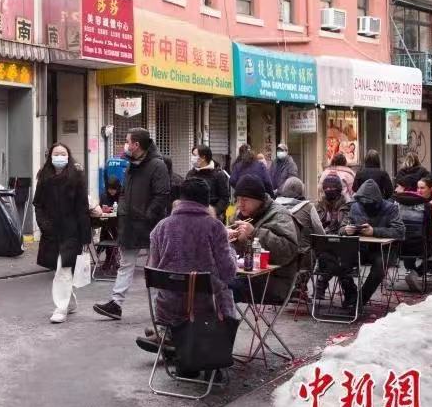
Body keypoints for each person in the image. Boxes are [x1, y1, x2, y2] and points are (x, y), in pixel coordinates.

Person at [138, 178, 236, 352]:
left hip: (167, 307)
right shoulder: (215, 227)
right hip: (207, 306)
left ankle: (168, 335)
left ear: (180, 199)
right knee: (225, 289)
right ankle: (188, 342)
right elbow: (228, 272)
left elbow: (155, 269)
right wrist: (233, 253)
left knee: (169, 291)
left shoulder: (161, 227)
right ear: (207, 201)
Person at [93, 128, 170, 320]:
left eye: (127, 141)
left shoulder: (157, 165)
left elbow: (162, 195)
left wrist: (147, 216)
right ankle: (116, 304)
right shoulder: (130, 165)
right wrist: (123, 211)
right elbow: (124, 191)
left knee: (154, 268)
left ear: (136, 145)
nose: (125, 145)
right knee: (126, 264)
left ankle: (160, 309)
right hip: (129, 224)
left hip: (151, 225)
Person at [33, 143, 91, 324]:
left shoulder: (77, 176)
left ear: (68, 155)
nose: (59, 156)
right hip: (51, 231)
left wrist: (85, 235)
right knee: (59, 268)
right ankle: (69, 301)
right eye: (56, 153)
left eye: (63, 153)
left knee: (63, 268)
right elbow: (38, 204)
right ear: (50, 156)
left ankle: (60, 307)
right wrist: (44, 225)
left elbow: (82, 207)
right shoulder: (44, 176)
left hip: (71, 231)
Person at [228, 175, 299, 304]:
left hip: (274, 281)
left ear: (259, 199)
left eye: (245, 200)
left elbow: (288, 250)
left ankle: (223, 317)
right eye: (237, 199)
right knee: (210, 283)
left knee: (223, 289)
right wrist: (230, 239)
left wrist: (255, 233)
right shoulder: (240, 216)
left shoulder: (279, 214)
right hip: (245, 275)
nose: (240, 204)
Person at [341, 180, 405, 307]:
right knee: (340, 261)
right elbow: (341, 228)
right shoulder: (355, 207)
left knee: (379, 267)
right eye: (362, 202)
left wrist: (374, 231)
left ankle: (360, 300)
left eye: (368, 203)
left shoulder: (390, 208)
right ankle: (351, 294)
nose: (365, 205)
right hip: (361, 248)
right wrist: (345, 230)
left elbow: (400, 231)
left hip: (383, 250)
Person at [392, 178, 432, 293]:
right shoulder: (426, 205)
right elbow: (430, 230)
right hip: (419, 246)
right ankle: (414, 273)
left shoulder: (395, 203)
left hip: (396, 247)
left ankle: (411, 271)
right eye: (418, 188)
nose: (419, 190)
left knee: (408, 244)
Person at [313, 175, 352, 299]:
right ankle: (350, 292)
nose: (329, 190)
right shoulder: (318, 205)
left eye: (332, 187)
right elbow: (315, 225)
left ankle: (321, 283)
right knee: (322, 254)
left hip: (340, 243)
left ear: (339, 189)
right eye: (326, 187)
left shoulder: (346, 206)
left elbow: (345, 226)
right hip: (322, 241)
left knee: (330, 257)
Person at [275, 176, 325, 262]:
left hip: (279, 256)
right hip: (303, 258)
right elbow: (320, 233)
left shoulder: (275, 206)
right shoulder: (308, 207)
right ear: (301, 191)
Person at [186, 145, 230, 220]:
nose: (192, 158)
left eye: (194, 155)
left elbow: (224, 198)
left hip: (212, 217)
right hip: (193, 216)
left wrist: (215, 211)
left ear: (203, 157)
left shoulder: (218, 175)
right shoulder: (190, 174)